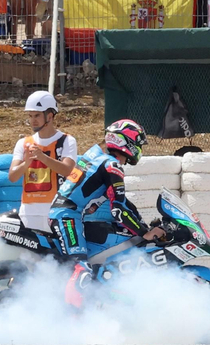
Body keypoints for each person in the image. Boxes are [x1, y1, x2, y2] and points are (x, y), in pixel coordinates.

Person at [45, 118, 161, 291]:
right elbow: (119, 211)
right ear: (125, 141)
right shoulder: (112, 166)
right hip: (67, 216)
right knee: (81, 270)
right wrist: (144, 233)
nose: (139, 149)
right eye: (138, 144)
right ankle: (72, 315)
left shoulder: (96, 156)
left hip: (67, 213)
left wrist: (143, 224)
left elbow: (123, 202)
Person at [8, 91, 79, 233]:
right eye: (30, 116)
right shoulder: (23, 143)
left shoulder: (67, 141)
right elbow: (12, 176)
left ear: (50, 116)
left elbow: (67, 170)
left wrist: (43, 157)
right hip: (28, 212)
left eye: (37, 115)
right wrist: (26, 163)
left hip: (57, 211)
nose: (32, 120)